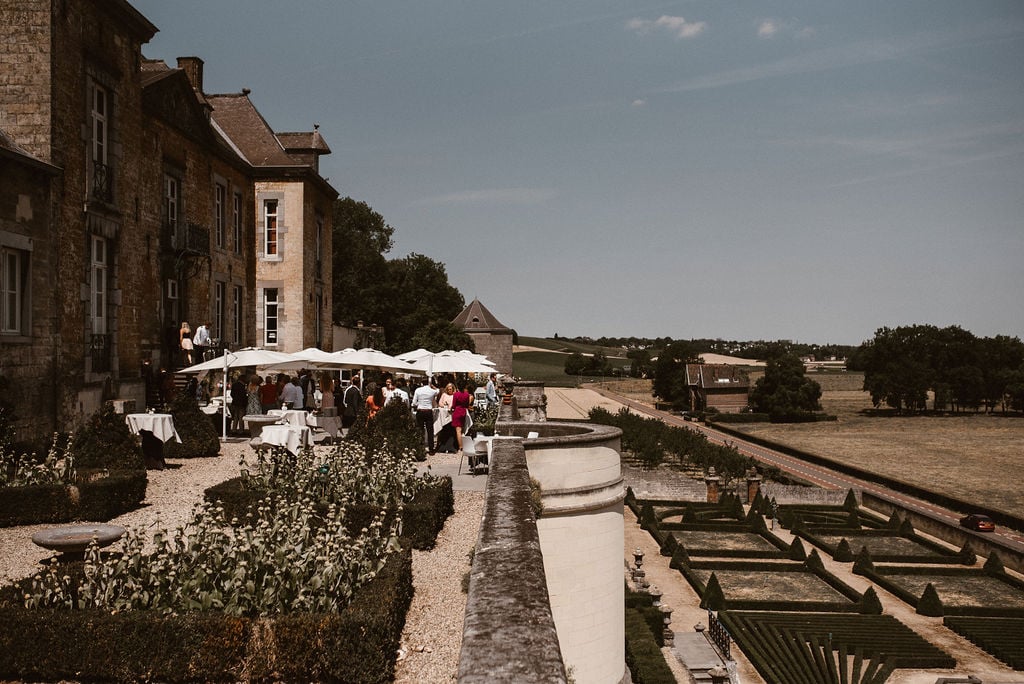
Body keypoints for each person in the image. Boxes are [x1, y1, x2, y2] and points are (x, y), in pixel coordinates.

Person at [411, 376, 438, 454]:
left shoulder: (418, 390)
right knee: (430, 431)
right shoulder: (432, 391)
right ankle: (431, 449)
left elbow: (414, 402)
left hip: (420, 411)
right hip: (428, 411)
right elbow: (438, 391)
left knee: (420, 430)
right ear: (429, 383)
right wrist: (433, 386)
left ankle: (420, 448)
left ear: (422, 383)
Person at [451, 380, 474, 451]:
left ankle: (461, 446)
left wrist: (452, 407)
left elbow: (454, 405)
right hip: (463, 412)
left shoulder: (456, 394)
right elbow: (467, 405)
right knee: (462, 429)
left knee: (458, 430)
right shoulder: (467, 395)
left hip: (457, 411)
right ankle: (463, 444)